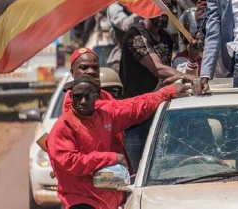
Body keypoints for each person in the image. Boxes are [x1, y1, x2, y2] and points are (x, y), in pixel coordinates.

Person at [48, 75, 188, 209]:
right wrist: (111, 158)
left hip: (109, 198)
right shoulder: (64, 126)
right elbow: (70, 161)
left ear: (96, 97)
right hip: (79, 198)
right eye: (78, 96)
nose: (83, 101)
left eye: (88, 96)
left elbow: (137, 106)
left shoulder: (106, 114)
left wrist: (169, 91)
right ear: (71, 97)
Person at [119, 0, 193, 167]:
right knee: (137, 170)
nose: (166, 13)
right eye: (161, 7)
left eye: (169, 8)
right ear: (148, 8)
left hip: (160, 111)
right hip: (137, 114)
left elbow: (170, 71)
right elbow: (159, 69)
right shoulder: (136, 34)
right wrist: (187, 78)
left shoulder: (166, 38)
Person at [106, 2, 139, 72]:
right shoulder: (114, 7)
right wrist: (144, 11)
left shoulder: (137, 5)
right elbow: (125, 25)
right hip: (123, 58)